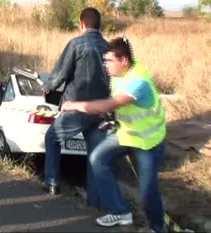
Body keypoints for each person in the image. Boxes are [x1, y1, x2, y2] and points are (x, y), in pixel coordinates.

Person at [61, 37, 167, 233]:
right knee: (97, 158)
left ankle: (157, 228)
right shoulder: (119, 74)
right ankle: (120, 211)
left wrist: (73, 105)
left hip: (148, 141)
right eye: (105, 60)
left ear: (124, 60)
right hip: (127, 134)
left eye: (109, 60)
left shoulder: (139, 82)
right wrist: (111, 114)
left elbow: (110, 103)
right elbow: (115, 102)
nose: (105, 65)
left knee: (147, 191)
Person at [41, 7, 110, 208]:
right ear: (99, 25)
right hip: (101, 111)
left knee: (52, 137)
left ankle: (52, 182)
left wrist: (46, 87)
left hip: (77, 108)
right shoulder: (108, 48)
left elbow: (60, 74)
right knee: (94, 155)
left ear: (82, 24)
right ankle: (94, 202)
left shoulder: (77, 44)